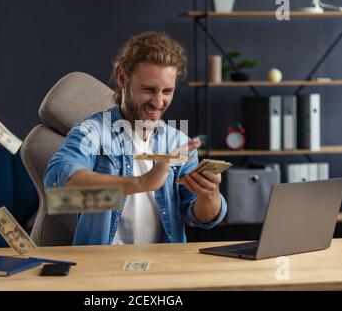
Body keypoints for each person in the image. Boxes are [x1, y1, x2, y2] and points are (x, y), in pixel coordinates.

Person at [44, 31, 228, 245]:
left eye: (167, 91)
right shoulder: (93, 132)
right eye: (149, 90)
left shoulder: (177, 142)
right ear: (123, 78)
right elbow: (57, 183)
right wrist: (142, 182)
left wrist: (210, 195)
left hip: (162, 270)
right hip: (102, 268)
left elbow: (202, 218)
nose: (159, 102)